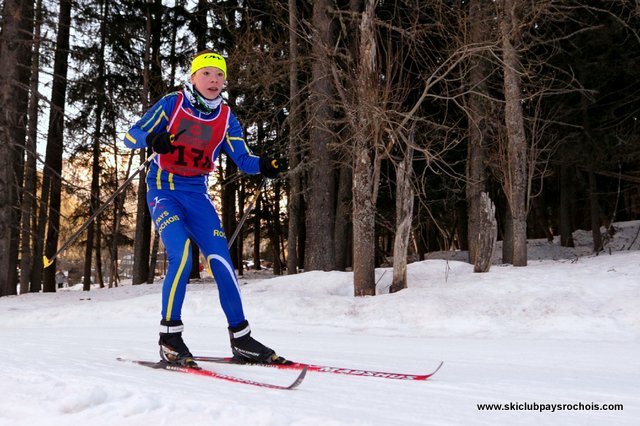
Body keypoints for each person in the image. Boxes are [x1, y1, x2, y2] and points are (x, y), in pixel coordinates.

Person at [123, 50, 284, 369]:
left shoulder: (226, 117)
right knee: (181, 255)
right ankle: (170, 338)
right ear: (193, 77)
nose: (214, 80)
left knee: (222, 261)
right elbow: (131, 137)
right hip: (163, 190)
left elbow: (244, 159)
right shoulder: (173, 103)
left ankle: (242, 339)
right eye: (207, 73)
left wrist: (265, 164)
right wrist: (153, 139)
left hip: (196, 193)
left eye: (219, 75)